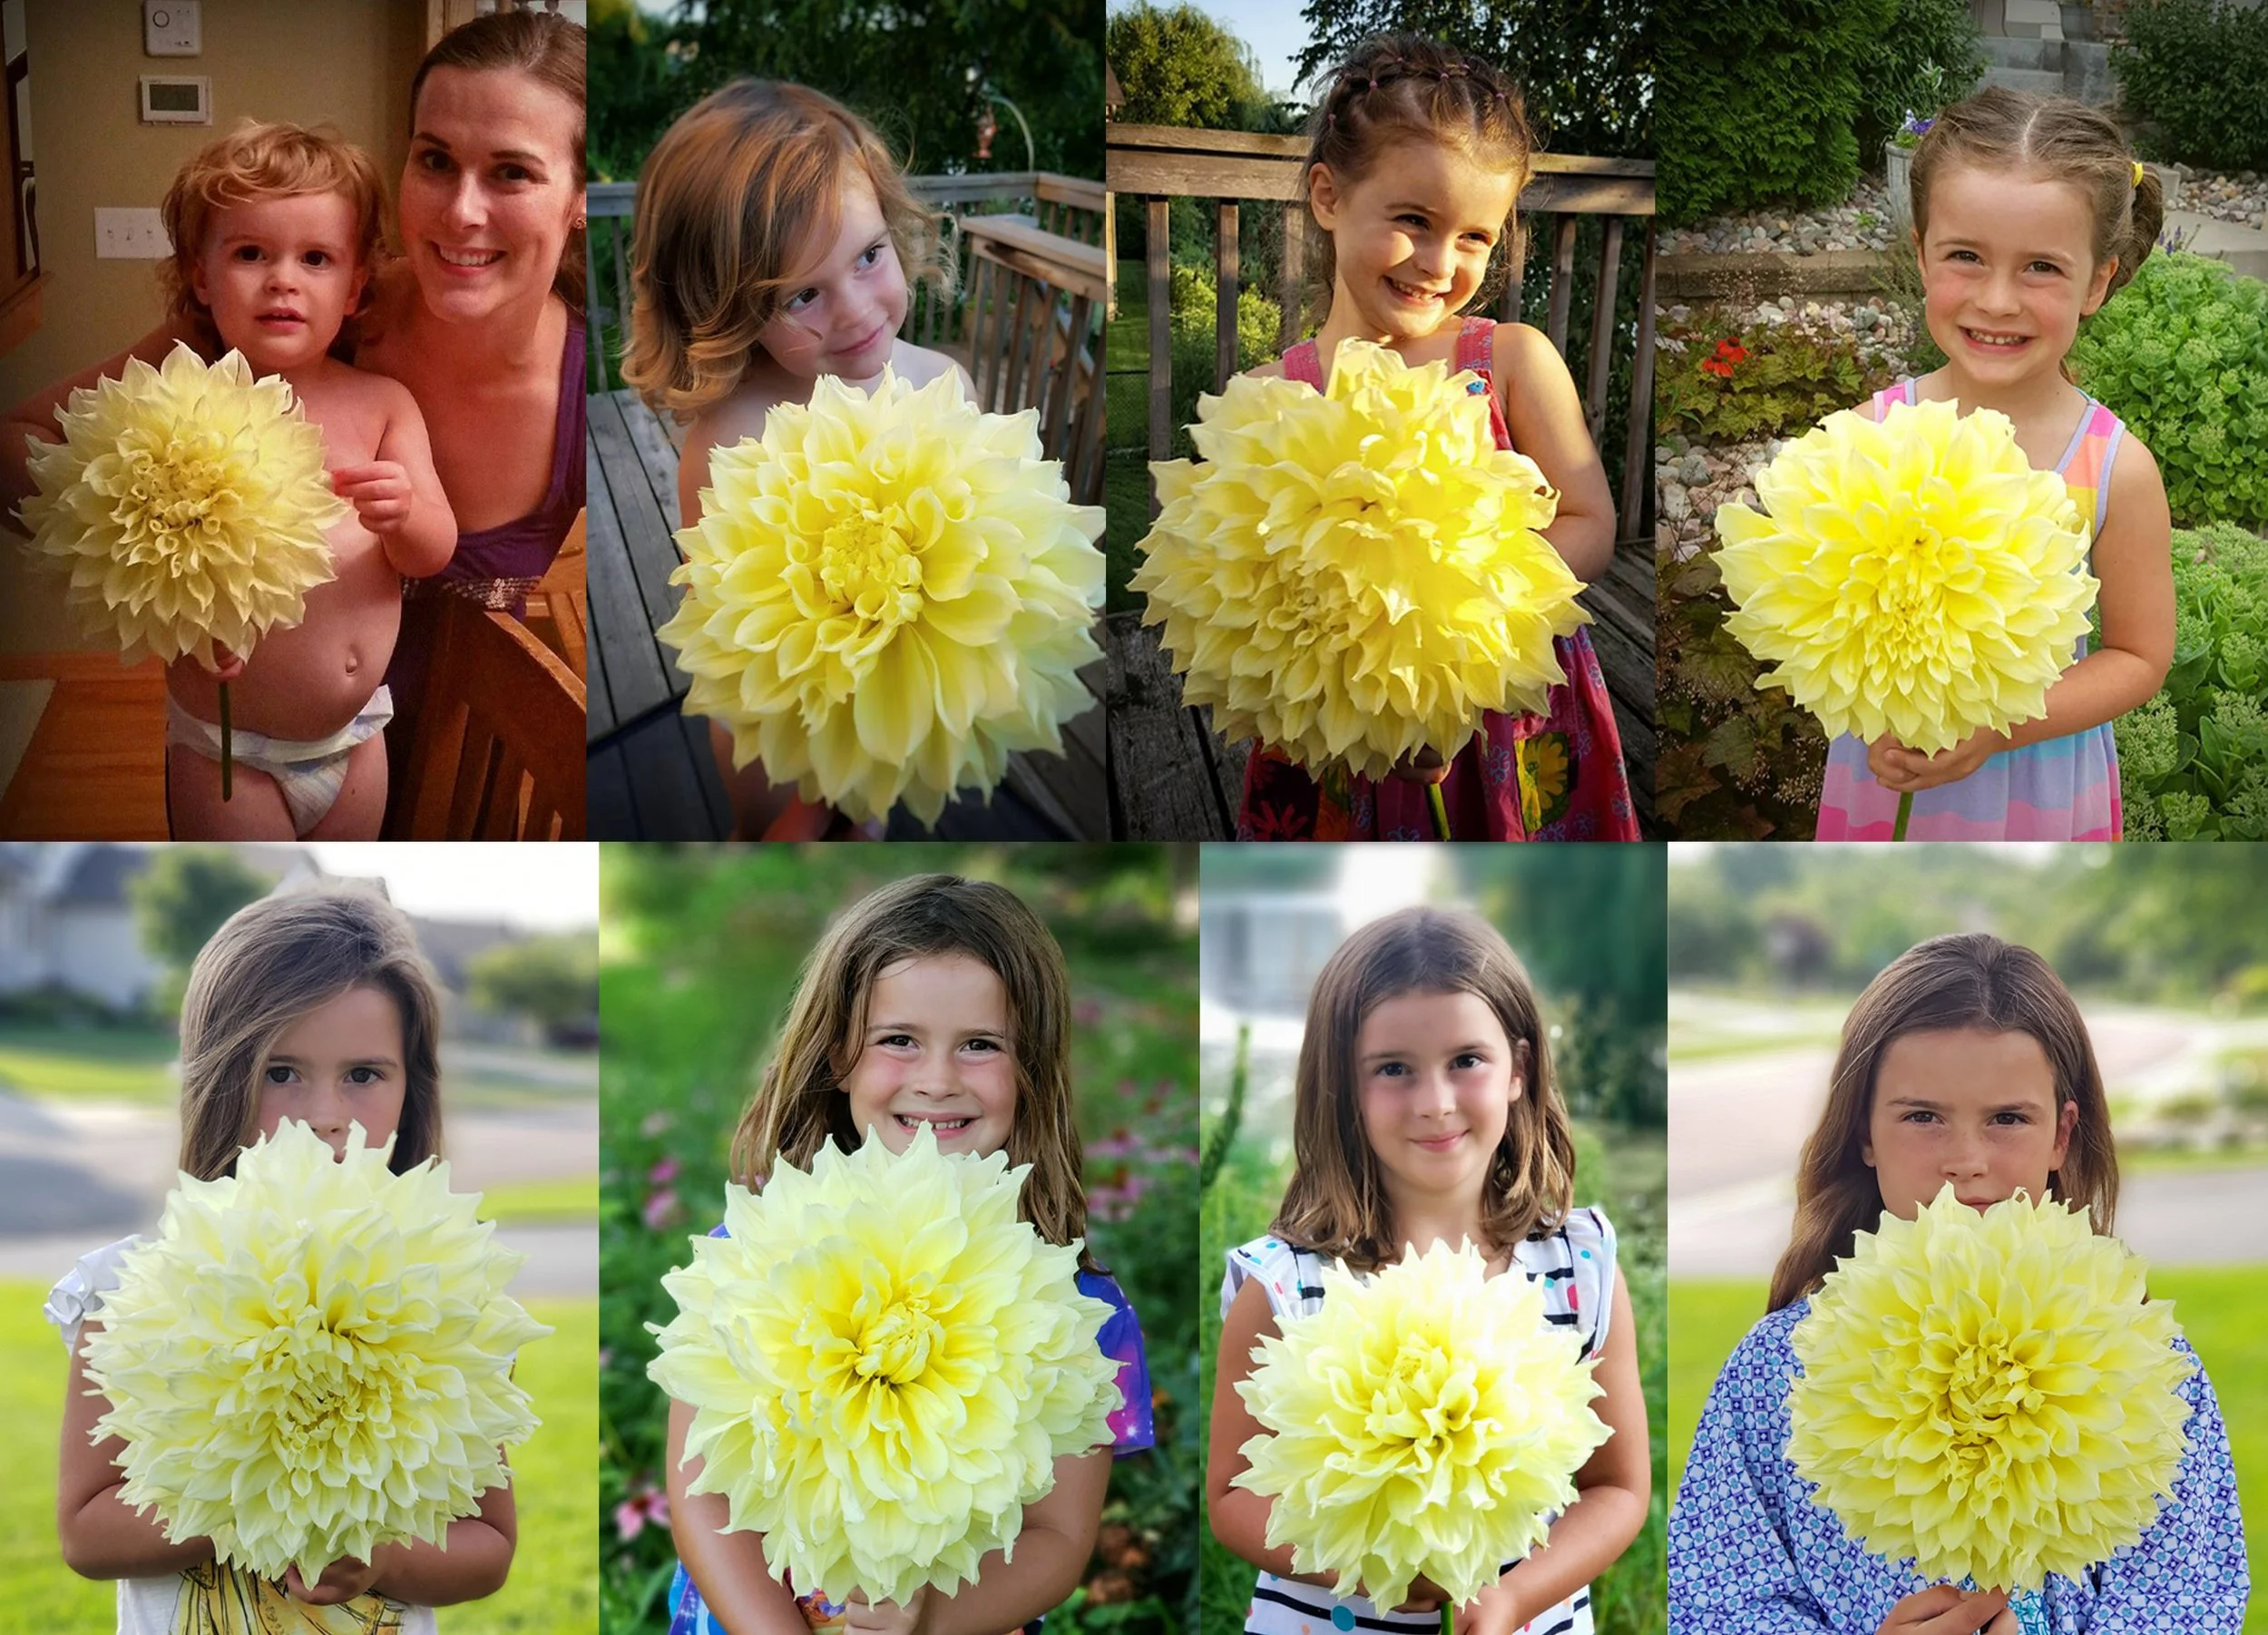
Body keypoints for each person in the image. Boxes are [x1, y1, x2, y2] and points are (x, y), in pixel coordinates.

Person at [1668, 934, 2247, 1633]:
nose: (1966, 1162)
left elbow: (2190, 1602)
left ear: (2062, 1135)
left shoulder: (2151, 1371)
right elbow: (1719, 1605)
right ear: (1865, 1134)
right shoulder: (1775, 1374)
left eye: (2007, 1119)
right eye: (1922, 1117)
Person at [658, 874, 1154, 1634]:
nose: (937, 1081)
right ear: (837, 1056)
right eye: (898, 1040)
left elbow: (1059, 1538)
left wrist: (927, 1620)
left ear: (1031, 1070)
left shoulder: (1081, 1313)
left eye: (981, 1045)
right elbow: (700, 1490)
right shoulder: (754, 1255)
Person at [48, 887, 516, 1633]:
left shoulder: (449, 1294)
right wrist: (258, 1497)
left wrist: (383, 1558)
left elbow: (489, 1544)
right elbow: (85, 1530)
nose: (324, 1114)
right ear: (218, 1078)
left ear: (410, 1090)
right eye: (281, 1072)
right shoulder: (131, 1287)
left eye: (364, 1075)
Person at [1235, 34, 1636, 842]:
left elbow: (1591, 522)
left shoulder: (1510, 361)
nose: (1439, 262)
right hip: (1341, 726)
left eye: (1475, 237)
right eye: (1413, 220)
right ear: (1327, 196)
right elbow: (1243, 581)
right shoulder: (1272, 397)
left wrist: (1453, 645)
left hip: (1501, 701)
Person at [1208, 906, 1650, 1635]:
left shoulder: (1581, 1266)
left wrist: (1512, 1596)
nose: (1435, 1103)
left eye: (1465, 1061)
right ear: (1343, 1089)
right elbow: (1231, 1496)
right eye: (1393, 1070)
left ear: (1520, 1068)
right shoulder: (1285, 1285)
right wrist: (1372, 1565)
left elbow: (1619, 1488)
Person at [20, 121, 457, 838]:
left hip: (356, 741)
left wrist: (404, 513)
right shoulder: (172, 402)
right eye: (251, 253)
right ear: (202, 275)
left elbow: (434, 549)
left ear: (354, 288)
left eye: (316, 258)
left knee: (334, 913)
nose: (283, 277)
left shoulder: (383, 404)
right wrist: (162, 603)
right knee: (249, 918)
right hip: (231, 757)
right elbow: (93, 500)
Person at [1816, 89, 2176, 840]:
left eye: (2042, 266)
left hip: (2031, 783)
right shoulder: (1865, 437)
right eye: (1965, 256)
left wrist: (1998, 728)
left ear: (2099, 281)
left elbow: (2139, 655)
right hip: (1887, 765)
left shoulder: (2116, 469)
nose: (1998, 298)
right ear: (1920, 253)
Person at [622, 80, 971, 839]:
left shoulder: (943, 385)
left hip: (906, 693)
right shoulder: (732, 440)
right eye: (801, 296)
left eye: (869, 256)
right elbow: (724, 626)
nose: (854, 310)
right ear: (727, 306)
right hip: (777, 728)